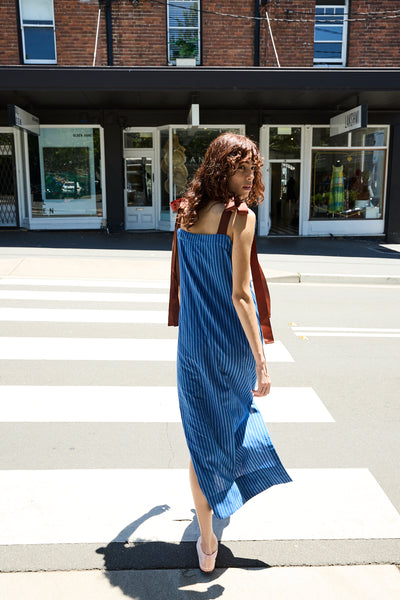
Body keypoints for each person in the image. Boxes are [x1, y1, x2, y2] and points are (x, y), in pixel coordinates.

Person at [168, 133, 292, 573]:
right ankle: (218, 505)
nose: (250, 178)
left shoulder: (185, 211)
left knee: (201, 438)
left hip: (192, 347)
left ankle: (205, 538)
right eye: (242, 168)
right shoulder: (240, 218)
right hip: (229, 347)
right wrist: (261, 360)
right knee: (230, 431)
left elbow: (183, 281)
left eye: (254, 169)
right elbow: (242, 296)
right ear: (223, 168)